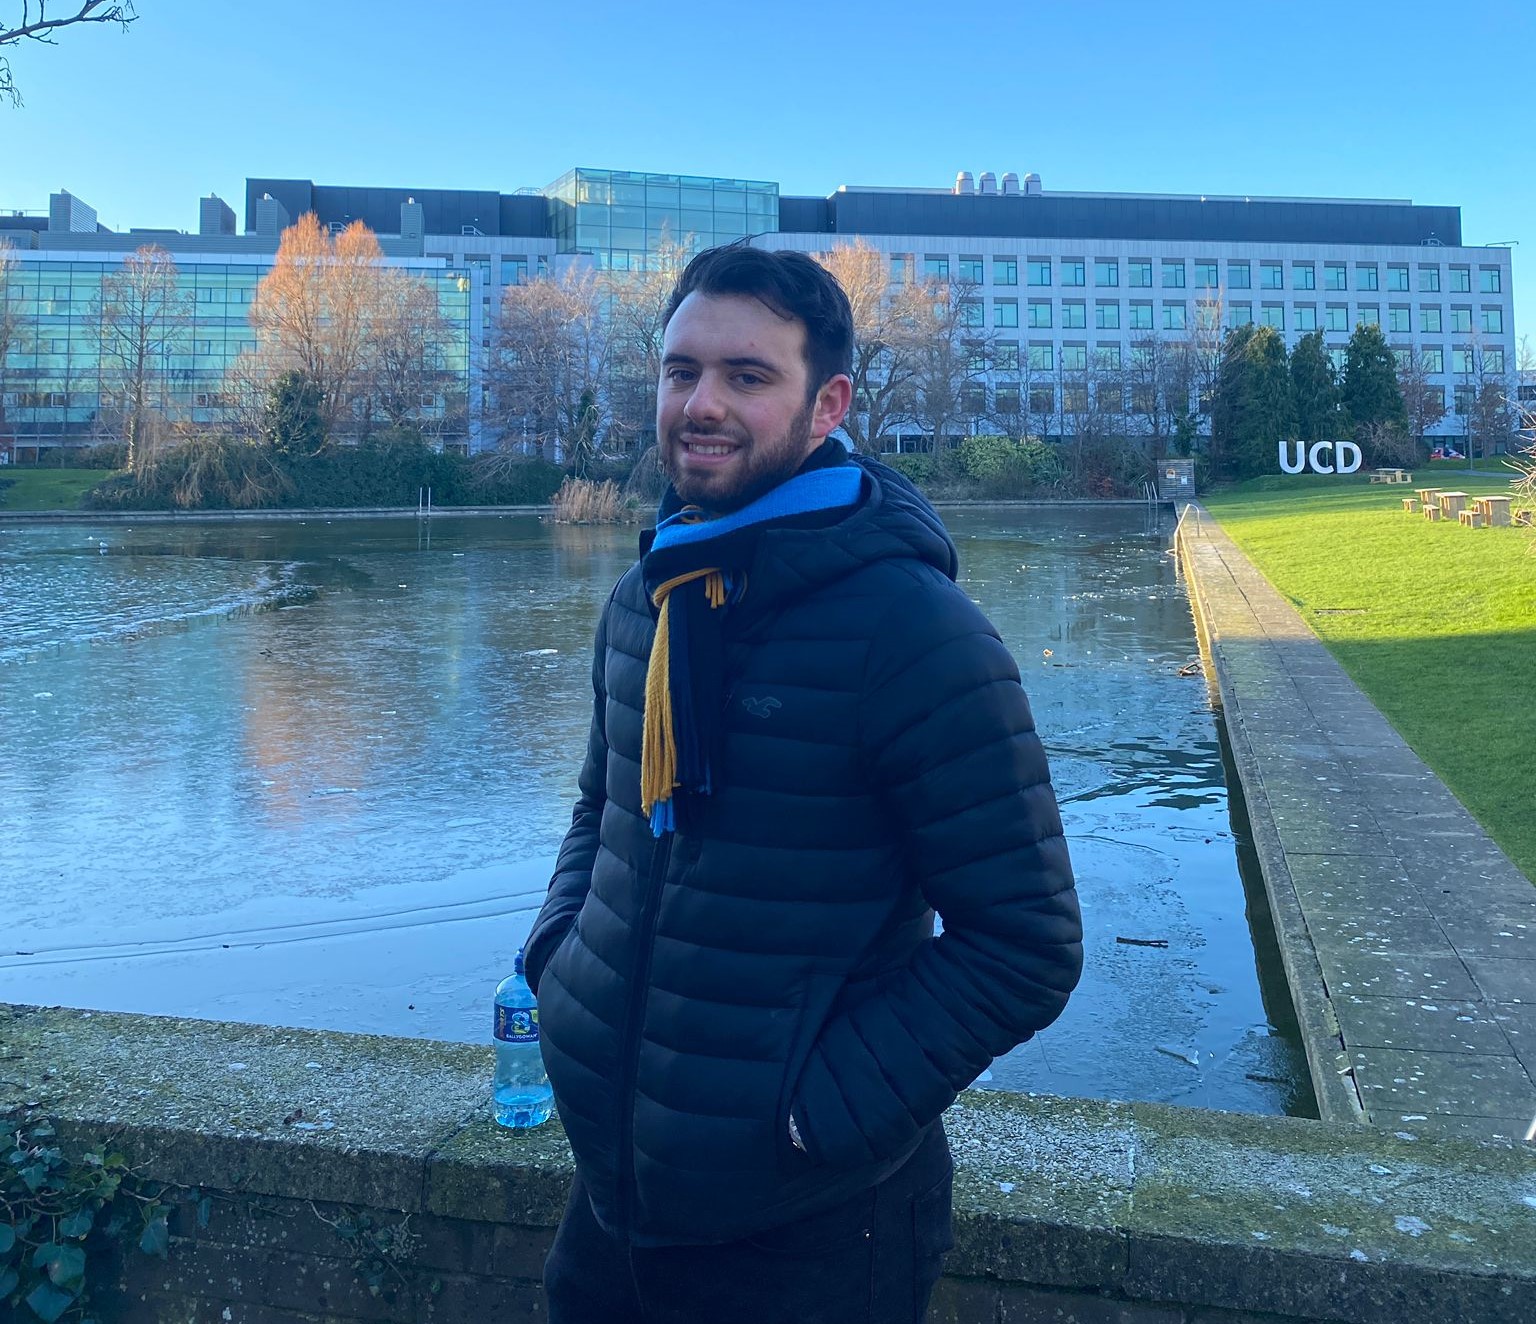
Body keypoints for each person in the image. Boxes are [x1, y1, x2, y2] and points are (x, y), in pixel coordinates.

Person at [523, 242, 1083, 1324]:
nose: (702, 404)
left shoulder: (914, 632)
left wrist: (810, 1116)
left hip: (815, 1230)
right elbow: (603, 808)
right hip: (613, 1201)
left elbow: (1026, 943)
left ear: (828, 405)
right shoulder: (649, 596)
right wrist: (560, 971)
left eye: (747, 376)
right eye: (682, 371)